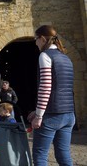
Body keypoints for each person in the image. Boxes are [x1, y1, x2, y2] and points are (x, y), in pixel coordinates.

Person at [28, 25, 75, 166]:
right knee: (64, 154)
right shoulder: (66, 58)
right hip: (69, 114)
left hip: (51, 115)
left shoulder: (45, 55)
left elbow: (46, 87)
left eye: (36, 39)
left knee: (40, 155)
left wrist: (39, 115)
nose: (35, 43)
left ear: (42, 39)